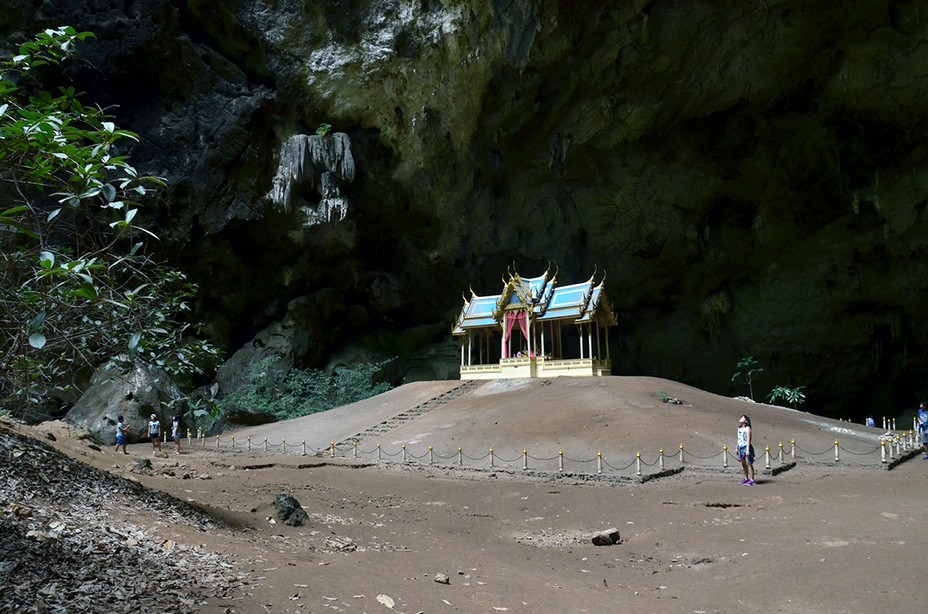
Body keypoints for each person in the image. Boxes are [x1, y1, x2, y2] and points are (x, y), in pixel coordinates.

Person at [737, 415, 755, 485]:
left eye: (743, 417)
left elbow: (748, 439)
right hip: (741, 447)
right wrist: (737, 447)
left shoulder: (747, 428)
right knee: (743, 463)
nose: (741, 418)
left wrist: (747, 449)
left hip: (746, 446)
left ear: (746, 421)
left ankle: (752, 479)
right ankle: (746, 478)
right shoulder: (739, 428)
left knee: (749, 463)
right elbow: (738, 439)